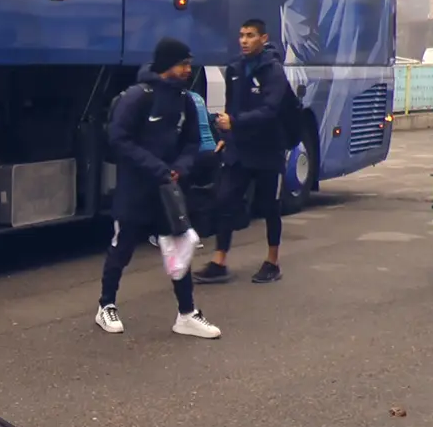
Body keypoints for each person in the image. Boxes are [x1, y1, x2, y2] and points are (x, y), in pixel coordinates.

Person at [96, 37, 221, 339]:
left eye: (189, 64)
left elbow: (192, 141)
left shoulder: (186, 100)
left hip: (167, 191)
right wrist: (157, 167)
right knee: (122, 248)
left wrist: (180, 168)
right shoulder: (138, 96)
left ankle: (187, 314)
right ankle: (106, 305)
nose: (188, 70)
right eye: (183, 64)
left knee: (179, 250)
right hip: (135, 188)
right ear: (167, 64)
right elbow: (119, 139)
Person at [193, 19, 289, 285]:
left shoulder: (273, 71)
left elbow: (270, 110)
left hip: (268, 150)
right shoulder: (235, 68)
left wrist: (235, 123)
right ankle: (219, 262)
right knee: (225, 200)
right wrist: (226, 137)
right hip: (240, 150)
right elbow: (230, 108)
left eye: (250, 35)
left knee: (269, 207)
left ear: (263, 38)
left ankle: (272, 262)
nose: (244, 41)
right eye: (242, 35)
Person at [149, 87, 222, 249]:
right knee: (203, 194)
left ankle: (176, 234)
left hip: (196, 152)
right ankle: (198, 232)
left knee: (178, 195)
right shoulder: (198, 97)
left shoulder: (181, 100)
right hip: (211, 150)